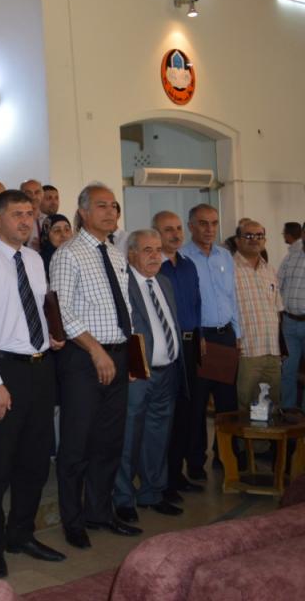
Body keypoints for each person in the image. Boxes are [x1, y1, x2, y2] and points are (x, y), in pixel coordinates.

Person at [0, 190, 66, 579]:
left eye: (29, 213)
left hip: (41, 368)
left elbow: (36, 309)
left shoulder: (35, 260)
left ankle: (21, 534)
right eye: (17, 214)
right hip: (3, 372)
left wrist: (51, 336)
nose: (25, 221)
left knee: (35, 462)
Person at [49, 182, 140, 550]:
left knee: (109, 442)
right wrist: (96, 350)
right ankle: (73, 521)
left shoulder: (116, 254)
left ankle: (99, 512)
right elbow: (61, 310)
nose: (110, 211)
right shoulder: (68, 254)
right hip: (84, 359)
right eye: (101, 205)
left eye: (113, 205)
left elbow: (125, 310)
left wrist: (129, 356)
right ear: (83, 212)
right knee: (76, 445)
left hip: (117, 356)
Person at [114, 229, 185, 525]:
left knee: (158, 436)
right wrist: (130, 365)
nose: (156, 256)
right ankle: (123, 498)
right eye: (147, 250)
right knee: (129, 437)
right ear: (131, 254)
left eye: (158, 250)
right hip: (138, 373)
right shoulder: (122, 283)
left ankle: (152, 493)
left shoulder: (164, 282)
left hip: (167, 372)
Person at [182, 203, 240, 476]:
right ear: (191, 226)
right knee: (197, 405)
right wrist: (197, 335)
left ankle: (225, 456)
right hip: (200, 339)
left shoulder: (225, 256)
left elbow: (232, 297)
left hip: (225, 336)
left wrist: (237, 334)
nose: (209, 229)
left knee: (227, 403)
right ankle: (196, 462)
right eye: (203, 223)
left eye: (214, 223)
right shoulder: (183, 257)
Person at [152, 211, 205, 501]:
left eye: (177, 229)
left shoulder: (188, 265)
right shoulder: (152, 268)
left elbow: (197, 303)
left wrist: (200, 335)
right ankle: (163, 481)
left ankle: (178, 474)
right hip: (168, 349)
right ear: (156, 234)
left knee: (188, 412)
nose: (175, 234)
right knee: (167, 418)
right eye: (167, 230)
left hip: (191, 344)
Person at [233, 221, 283, 409]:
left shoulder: (270, 270)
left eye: (259, 236)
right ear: (237, 240)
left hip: (272, 351)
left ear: (265, 240)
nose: (254, 239)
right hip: (247, 350)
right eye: (248, 235)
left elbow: (277, 310)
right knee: (244, 405)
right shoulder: (229, 269)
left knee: (272, 406)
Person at [279, 228, 305, 408]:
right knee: (288, 369)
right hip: (288, 322)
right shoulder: (290, 257)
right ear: (302, 234)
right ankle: (287, 409)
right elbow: (277, 285)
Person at [20, 179, 45, 250]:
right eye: (28, 193)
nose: (33, 196)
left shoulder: (48, 220)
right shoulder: (15, 220)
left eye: (37, 192)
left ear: (42, 195)